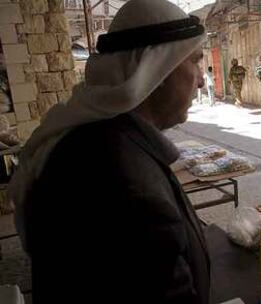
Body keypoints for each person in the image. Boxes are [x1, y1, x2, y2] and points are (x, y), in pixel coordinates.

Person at [8, 1, 210, 303]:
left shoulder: (93, 140)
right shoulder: (127, 186)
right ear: (156, 71)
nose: (201, 79)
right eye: (194, 62)